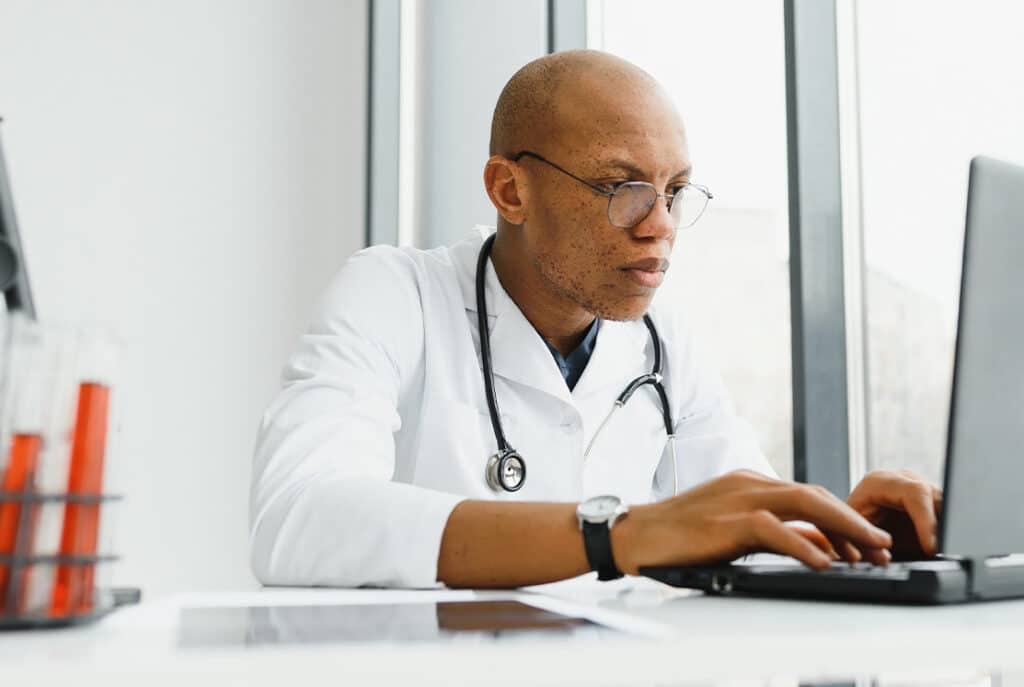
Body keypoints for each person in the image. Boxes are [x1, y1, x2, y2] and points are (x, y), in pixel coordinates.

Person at [250, 50, 942, 589]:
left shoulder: (664, 340)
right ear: (509, 189)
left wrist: (847, 535)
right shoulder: (396, 294)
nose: (660, 226)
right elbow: (298, 518)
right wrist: (618, 533)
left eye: (673, 191)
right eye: (623, 189)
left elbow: (741, 526)